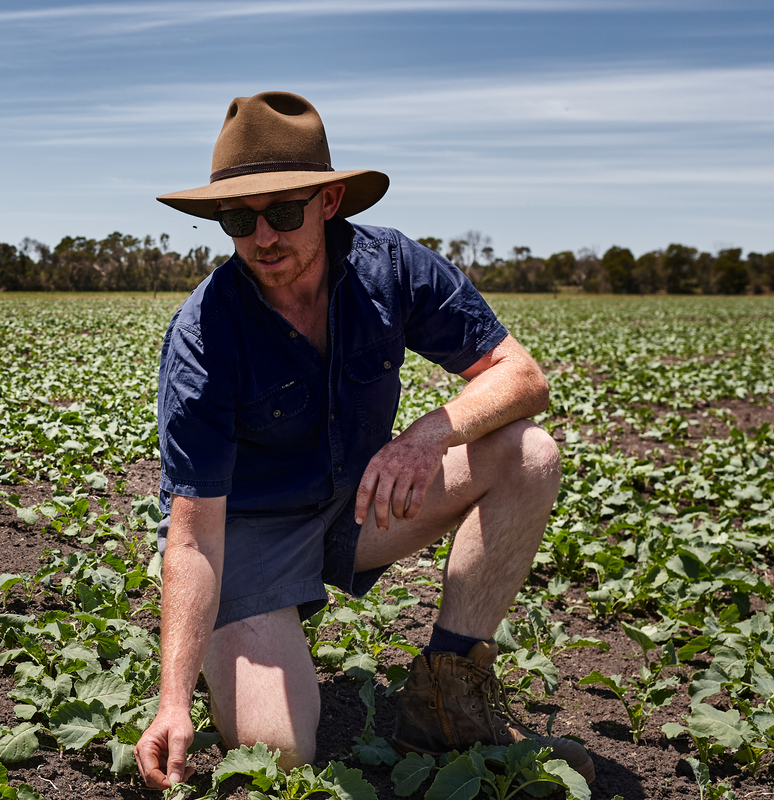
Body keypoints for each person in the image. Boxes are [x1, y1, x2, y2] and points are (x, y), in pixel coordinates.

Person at [133, 91, 595, 790]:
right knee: (282, 754)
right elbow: (195, 539)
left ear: (329, 200)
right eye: (238, 219)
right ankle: (222, 651)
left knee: (528, 453)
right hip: (244, 538)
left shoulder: (392, 269)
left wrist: (428, 436)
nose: (263, 238)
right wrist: (170, 703)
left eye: (283, 212)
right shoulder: (206, 334)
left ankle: (447, 693)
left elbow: (521, 376)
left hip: (356, 505)